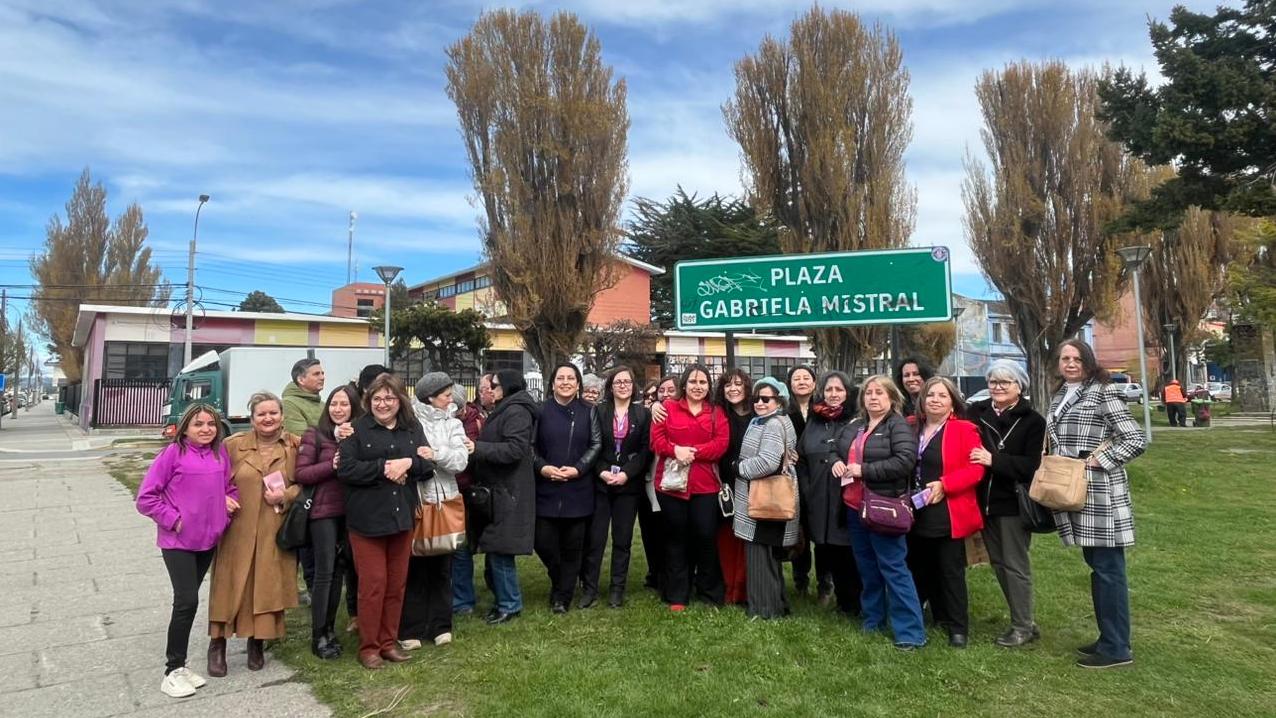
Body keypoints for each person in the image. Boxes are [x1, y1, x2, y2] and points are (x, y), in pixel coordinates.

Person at [1048, 339, 1147, 669]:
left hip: (1101, 494)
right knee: (1099, 568)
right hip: (1075, 491)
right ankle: (1109, 637)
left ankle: (1118, 647)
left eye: (1077, 358)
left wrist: (1100, 461)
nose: (1071, 363)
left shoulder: (1103, 390)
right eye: (1065, 358)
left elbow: (1134, 438)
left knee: (1109, 571)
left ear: (1088, 361)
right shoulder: (1061, 394)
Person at [136, 403, 237, 698]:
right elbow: (146, 497)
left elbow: (229, 487)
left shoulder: (220, 454)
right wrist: (174, 520)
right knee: (186, 601)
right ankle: (172, 670)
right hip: (178, 542)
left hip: (208, 539)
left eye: (211, 424)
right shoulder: (173, 454)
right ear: (185, 428)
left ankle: (180, 667)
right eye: (198, 424)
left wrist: (226, 512)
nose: (205, 429)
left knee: (189, 603)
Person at [338, 373, 434, 669]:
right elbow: (347, 469)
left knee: (396, 584)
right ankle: (369, 647)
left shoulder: (411, 428)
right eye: (377, 398)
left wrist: (408, 463)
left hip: (401, 517)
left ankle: (388, 642)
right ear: (369, 401)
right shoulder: (355, 430)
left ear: (399, 400)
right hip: (366, 521)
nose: (383, 404)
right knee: (373, 585)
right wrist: (384, 468)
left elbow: (427, 464)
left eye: (389, 398)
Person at [206, 392, 302, 676]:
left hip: (275, 529)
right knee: (228, 584)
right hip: (237, 529)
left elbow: (305, 485)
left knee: (266, 585)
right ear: (252, 419)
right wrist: (221, 497)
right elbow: (212, 479)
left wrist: (285, 495)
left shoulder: (294, 446)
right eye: (261, 414)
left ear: (282, 416)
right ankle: (217, 643)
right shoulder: (231, 446)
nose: (268, 418)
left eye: (273, 413)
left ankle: (257, 642)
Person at [837, 375, 926, 650]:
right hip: (855, 507)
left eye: (879, 393)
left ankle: (910, 631)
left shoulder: (897, 426)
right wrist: (836, 463)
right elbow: (835, 449)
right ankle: (873, 619)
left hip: (884, 507)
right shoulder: (858, 426)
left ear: (891, 398)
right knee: (867, 568)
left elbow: (904, 461)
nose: (873, 397)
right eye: (868, 393)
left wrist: (865, 471)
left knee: (893, 568)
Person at [967, 360, 1046, 648]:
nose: (998, 387)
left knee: (1015, 564)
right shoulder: (977, 413)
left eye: (1005, 382)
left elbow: (1030, 466)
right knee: (998, 563)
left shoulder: (1033, 421)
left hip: (1013, 503)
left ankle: (1022, 626)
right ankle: (1023, 619)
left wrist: (993, 461)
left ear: (1019, 387)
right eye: (993, 382)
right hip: (983, 501)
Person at [906, 377, 985, 648]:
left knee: (949, 569)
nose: (935, 400)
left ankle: (957, 627)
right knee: (919, 566)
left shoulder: (965, 430)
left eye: (942, 395)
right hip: (914, 508)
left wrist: (945, 484)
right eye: (930, 395)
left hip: (947, 509)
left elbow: (976, 469)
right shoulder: (910, 426)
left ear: (952, 403)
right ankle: (928, 616)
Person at [401, 373, 472, 650]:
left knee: (443, 566)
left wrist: (436, 453)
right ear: (430, 396)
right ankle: (412, 628)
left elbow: (460, 460)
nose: (450, 397)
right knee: (415, 566)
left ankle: (441, 625)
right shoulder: (410, 422)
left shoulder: (454, 423)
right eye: (445, 393)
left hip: (445, 500)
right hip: (418, 500)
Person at [651, 364, 730, 611]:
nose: (698, 387)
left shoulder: (716, 412)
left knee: (705, 537)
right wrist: (674, 450)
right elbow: (656, 440)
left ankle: (709, 592)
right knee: (676, 538)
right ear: (684, 385)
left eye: (703, 382)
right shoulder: (667, 408)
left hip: (705, 486)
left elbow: (721, 444)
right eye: (693, 382)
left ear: (709, 386)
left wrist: (692, 453)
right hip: (671, 486)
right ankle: (677, 594)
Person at [295, 385, 361, 660]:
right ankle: (318, 635)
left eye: (344, 404)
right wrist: (331, 465)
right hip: (323, 513)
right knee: (324, 573)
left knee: (340, 574)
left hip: (352, 511)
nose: (338, 409)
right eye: (334, 403)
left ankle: (331, 630)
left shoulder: (359, 434)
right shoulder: (315, 434)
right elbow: (301, 473)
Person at [470, 369, 539, 624]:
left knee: (501, 551)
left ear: (507, 387)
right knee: (496, 548)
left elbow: (515, 449)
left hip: (509, 491)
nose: (491, 388)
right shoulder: (508, 408)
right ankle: (503, 601)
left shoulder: (516, 411)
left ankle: (510, 604)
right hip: (501, 489)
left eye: (495, 384)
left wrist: (477, 448)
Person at [581, 366, 652, 608]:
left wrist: (626, 475)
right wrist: (601, 471)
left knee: (622, 540)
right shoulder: (599, 411)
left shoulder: (642, 414)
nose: (623, 386)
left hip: (628, 486)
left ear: (633, 386)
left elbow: (645, 451)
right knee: (596, 538)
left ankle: (616, 590)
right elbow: (592, 445)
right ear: (610, 386)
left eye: (627, 382)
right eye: (618, 382)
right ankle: (589, 589)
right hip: (600, 483)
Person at [533, 364, 602, 613]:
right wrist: (542, 468)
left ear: (578, 384)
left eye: (570, 378)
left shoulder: (589, 410)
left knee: (573, 546)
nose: (565, 382)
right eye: (560, 378)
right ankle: (561, 579)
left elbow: (596, 444)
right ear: (552, 384)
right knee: (543, 541)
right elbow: (531, 446)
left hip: (578, 488)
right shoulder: (540, 410)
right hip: (546, 487)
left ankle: (562, 596)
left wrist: (579, 468)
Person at [732, 378, 800, 619]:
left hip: (765, 501)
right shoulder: (771, 420)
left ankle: (764, 610)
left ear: (779, 401)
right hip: (768, 499)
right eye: (756, 399)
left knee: (760, 558)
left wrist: (738, 467)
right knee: (768, 558)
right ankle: (777, 604)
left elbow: (768, 462)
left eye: (766, 399)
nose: (759, 403)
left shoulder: (772, 424)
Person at [796, 371, 861, 615]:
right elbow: (801, 457)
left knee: (846, 551)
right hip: (817, 495)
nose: (833, 395)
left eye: (839, 390)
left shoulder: (857, 420)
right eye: (829, 389)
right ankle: (828, 591)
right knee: (823, 546)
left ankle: (851, 602)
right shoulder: (815, 419)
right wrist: (806, 487)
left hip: (846, 496)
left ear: (848, 392)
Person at [284, 358, 325, 605]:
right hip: (306, 477)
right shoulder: (290, 404)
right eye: (316, 373)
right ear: (301, 379)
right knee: (306, 534)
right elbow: (301, 440)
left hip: (324, 473)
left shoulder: (320, 402)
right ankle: (310, 585)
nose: (322, 377)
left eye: (322, 373)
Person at [638, 375, 678, 591]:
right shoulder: (649, 414)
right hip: (649, 479)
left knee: (671, 531)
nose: (666, 394)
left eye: (671, 390)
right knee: (650, 530)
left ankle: (669, 574)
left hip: (676, 481)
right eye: (661, 391)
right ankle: (655, 572)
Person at [451, 383, 485, 615]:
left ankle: (463, 600)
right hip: (442, 490)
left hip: (464, 489)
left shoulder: (474, 421)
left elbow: (470, 457)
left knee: (461, 547)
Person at [785, 365, 818, 596]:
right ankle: (801, 580)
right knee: (799, 531)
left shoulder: (824, 410)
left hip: (820, 477)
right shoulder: (785, 412)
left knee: (822, 534)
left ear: (814, 383)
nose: (802, 382)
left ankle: (826, 580)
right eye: (797, 378)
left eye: (806, 378)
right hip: (795, 480)